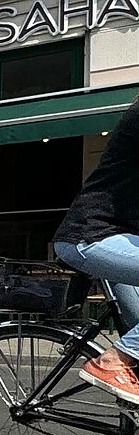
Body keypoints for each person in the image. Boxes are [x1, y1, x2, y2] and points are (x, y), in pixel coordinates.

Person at [52, 98, 139, 402]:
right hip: (92, 238)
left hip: (120, 240)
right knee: (134, 347)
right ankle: (112, 362)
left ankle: (128, 430)